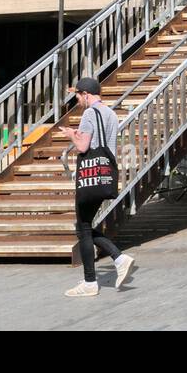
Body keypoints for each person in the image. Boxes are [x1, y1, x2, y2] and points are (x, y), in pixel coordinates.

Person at [62, 77, 135, 298]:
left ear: (86, 94)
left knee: (83, 228)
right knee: (84, 226)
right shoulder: (110, 113)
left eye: (77, 95)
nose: (76, 99)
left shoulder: (88, 114)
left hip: (89, 177)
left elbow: (84, 146)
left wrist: (71, 135)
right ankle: (118, 259)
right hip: (104, 175)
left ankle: (91, 281)